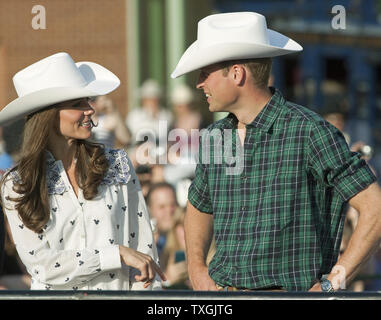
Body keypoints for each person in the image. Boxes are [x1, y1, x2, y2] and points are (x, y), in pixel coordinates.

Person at [171, 12, 381, 292]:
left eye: (205, 73)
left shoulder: (309, 131)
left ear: (236, 74)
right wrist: (197, 269)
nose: (199, 83)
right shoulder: (213, 137)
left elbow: (375, 209)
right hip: (225, 298)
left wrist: (332, 283)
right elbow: (198, 207)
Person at [0, 52, 165, 291]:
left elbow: (144, 253)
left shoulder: (117, 163)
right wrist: (114, 254)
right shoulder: (16, 184)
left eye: (88, 100)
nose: (90, 109)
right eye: (78, 104)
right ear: (48, 116)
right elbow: (43, 266)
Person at [146, 182, 178, 260]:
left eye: (172, 205)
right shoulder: (147, 244)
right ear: (150, 209)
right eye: (162, 207)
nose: (169, 211)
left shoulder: (185, 237)